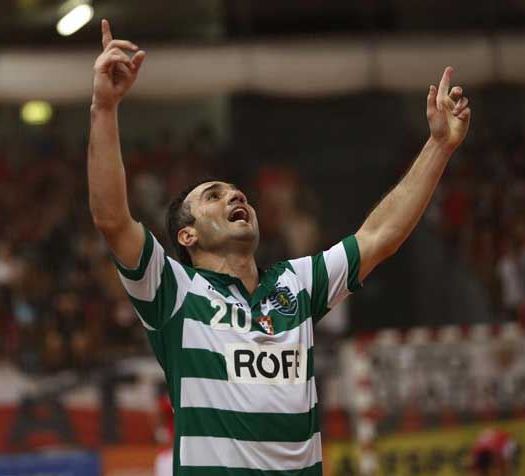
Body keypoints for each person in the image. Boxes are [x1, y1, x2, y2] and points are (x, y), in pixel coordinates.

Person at [88, 18, 471, 476]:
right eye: (213, 196)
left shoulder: (295, 284)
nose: (235, 196)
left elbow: (379, 236)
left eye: (236, 193)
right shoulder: (174, 291)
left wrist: (439, 147)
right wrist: (104, 108)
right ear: (187, 236)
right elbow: (112, 220)